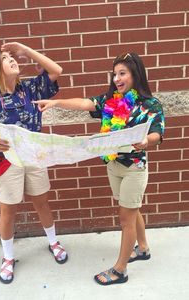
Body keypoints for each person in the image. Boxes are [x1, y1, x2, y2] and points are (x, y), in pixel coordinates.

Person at [34, 52, 165, 285]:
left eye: (122, 73)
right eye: (114, 74)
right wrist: (56, 102)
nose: (116, 78)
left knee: (126, 217)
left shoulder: (150, 104)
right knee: (131, 210)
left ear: (135, 74)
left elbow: (157, 132)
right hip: (113, 164)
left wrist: (146, 141)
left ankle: (120, 270)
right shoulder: (111, 101)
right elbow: (86, 103)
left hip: (135, 167)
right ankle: (143, 248)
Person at [0, 42, 68, 284]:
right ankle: (7, 257)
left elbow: (56, 71)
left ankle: (53, 241)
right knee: (8, 210)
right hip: (5, 161)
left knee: (41, 201)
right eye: (6, 58)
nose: (13, 60)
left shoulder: (30, 89)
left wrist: (25, 50)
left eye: (13, 58)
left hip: (33, 156)